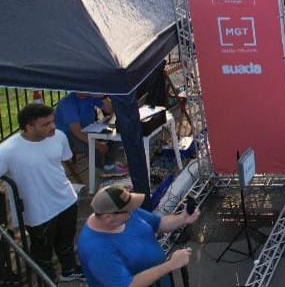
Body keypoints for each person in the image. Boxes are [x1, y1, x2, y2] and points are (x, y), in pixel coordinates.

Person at [0, 104, 83, 281]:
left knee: (66, 243)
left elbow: (61, 161)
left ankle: (69, 270)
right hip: (37, 210)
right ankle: (48, 281)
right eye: (45, 124)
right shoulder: (7, 150)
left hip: (66, 199)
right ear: (29, 127)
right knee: (42, 253)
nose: (53, 126)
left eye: (52, 121)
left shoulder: (59, 136)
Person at [78, 185, 200, 286]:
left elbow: (158, 223)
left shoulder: (123, 212)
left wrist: (182, 218)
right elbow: (127, 285)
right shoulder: (95, 250)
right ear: (108, 217)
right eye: (128, 210)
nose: (133, 210)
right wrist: (171, 265)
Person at [54, 92, 124, 175]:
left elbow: (110, 109)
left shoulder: (91, 96)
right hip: (69, 136)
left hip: (88, 128)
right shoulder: (68, 103)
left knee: (116, 134)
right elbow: (76, 131)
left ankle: (108, 165)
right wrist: (98, 145)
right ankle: (103, 166)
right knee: (95, 148)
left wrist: (103, 97)